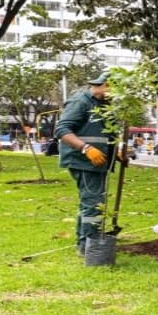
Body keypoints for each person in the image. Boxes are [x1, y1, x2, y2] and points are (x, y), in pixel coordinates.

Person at [56, 70, 117, 255]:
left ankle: (85, 243)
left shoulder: (104, 105)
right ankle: (91, 248)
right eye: (112, 89)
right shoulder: (81, 102)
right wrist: (86, 148)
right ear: (103, 85)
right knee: (93, 202)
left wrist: (116, 152)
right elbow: (62, 129)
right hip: (83, 161)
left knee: (90, 202)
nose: (113, 95)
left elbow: (106, 133)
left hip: (98, 162)